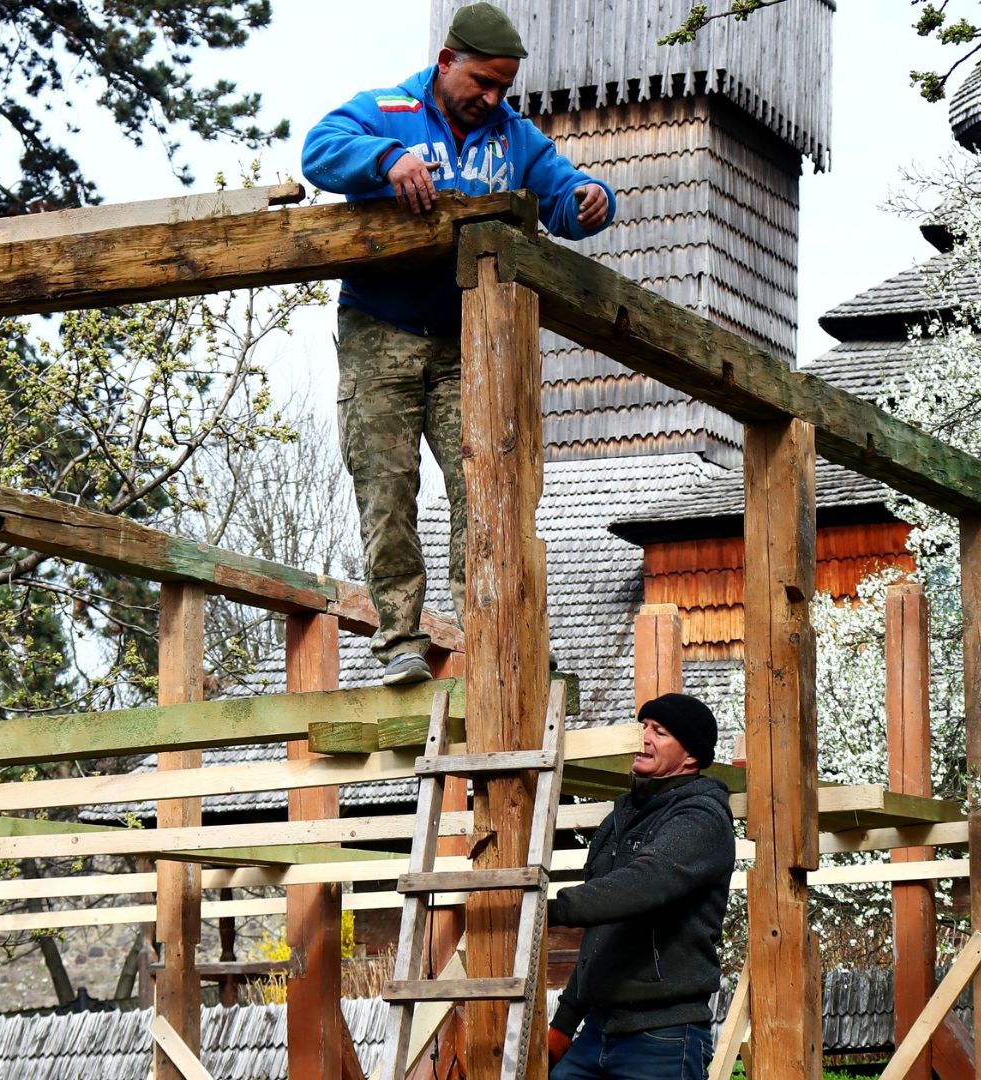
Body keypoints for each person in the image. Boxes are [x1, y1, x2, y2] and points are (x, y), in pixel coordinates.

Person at [300, 2, 615, 685]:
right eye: (483, 83)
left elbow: (562, 195)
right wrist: (384, 159)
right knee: (386, 487)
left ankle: (499, 637)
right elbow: (318, 149)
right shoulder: (387, 110)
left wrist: (592, 197)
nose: (492, 98)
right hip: (379, 330)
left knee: (487, 490)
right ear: (448, 63)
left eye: (504, 87)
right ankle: (400, 640)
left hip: (467, 341)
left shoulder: (514, 137)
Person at [545, 693, 735, 1079]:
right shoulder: (622, 817)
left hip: (661, 1037)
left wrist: (546, 908)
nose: (643, 737)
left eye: (659, 732)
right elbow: (602, 932)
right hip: (597, 1031)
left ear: (691, 756)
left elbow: (640, 885)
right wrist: (566, 1022)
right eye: (642, 727)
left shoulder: (701, 817)